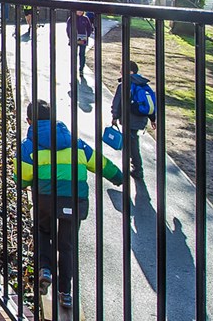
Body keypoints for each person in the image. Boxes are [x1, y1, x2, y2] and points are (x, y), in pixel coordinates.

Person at [18, 99, 123, 310]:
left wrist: (25, 183)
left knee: (42, 230)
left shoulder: (28, 146)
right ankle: (66, 293)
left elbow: (23, 177)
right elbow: (99, 163)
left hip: (46, 198)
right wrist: (118, 177)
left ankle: (45, 268)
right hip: (75, 199)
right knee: (67, 245)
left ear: (29, 121)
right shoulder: (76, 142)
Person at [111, 60, 157, 180]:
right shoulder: (143, 84)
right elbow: (150, 103)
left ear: (130, 71)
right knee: (131, 142)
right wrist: (152, 119)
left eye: (122, 69)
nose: (120, 71)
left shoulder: (125, 85)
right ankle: (134, 167)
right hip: (141, 119)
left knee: (132, 144)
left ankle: (137, 169)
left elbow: (117, 103)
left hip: (129, 118)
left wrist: (114, 117)